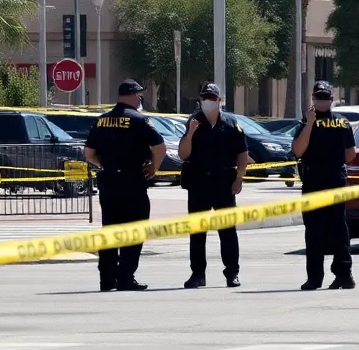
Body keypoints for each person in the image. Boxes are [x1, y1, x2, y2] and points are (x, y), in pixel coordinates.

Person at [84, 79, 167, 292]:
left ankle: (106, 279)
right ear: (130, 95)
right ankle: (125, 277)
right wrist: (153, 168)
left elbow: (89, 154)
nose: (140, 98)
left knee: (110, 230)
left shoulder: (102, 120)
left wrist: (105, 164)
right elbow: (160, 147)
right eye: (138, 94)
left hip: (109, 181)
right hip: (132, 182)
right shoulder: (139, 120)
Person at [177, 82, 250, 289]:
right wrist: (190, 133)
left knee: (227, 231)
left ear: (219, 101)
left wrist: (239, 178)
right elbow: (183, 154)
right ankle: (197, 274)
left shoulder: (231, 124)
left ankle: (232, 273)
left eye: (212, 98)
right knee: (197, 232)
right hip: (198, 183)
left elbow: (242, 154)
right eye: (205, 98)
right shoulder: (194, 121)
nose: (207, 102)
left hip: (223, 183)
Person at [291, 80, 357, 291]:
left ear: (330, 99)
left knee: (324, 230)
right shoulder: (337, 122)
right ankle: (332, 276)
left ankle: (329, 276)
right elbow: (350, 155)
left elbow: (299, 151)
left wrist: (309, 124)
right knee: (327, 229)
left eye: (324, 97)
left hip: (324, 180)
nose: (321, 101)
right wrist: (310, 123)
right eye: (318, 97)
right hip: (324, 180)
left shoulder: (332, 123)